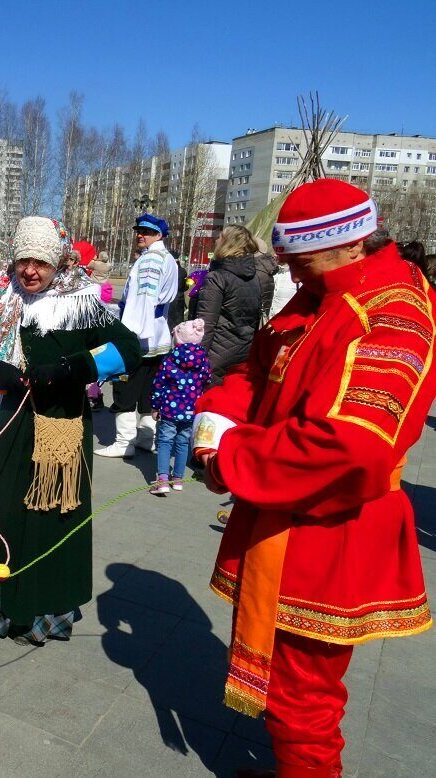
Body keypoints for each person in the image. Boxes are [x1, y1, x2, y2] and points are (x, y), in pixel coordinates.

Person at [193, 179, 436, 777]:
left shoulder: (394, 311)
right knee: (283, 684)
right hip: (288, 513)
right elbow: (261, 367)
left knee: (305, 699)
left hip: (333, 529)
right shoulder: (322, 293)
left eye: (299, 262)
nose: (291, 276)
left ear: (347, 245)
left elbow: (350, 448)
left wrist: (233, 461)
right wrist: (215, 417)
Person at [0, 216, 141, 643]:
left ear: (58, 262)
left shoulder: (81, 302)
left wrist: (72, 368)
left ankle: (32, 609)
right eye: (23, 260)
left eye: (41, 263)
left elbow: (129, 349)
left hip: (55, 429)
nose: (30, 271)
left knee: (44, 519)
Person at [95, 213, 178, 458]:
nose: (140, 235)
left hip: (141, 336)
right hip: (158, 336)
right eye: (139, 230)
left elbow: (142, 300)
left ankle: (125, 442)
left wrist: (128, 336)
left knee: (125, 387)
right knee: (148, 390)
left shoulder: (150, 260)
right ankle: (144, 438)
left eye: (147, 231)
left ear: (159, 234)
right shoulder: (167, 258)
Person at [196, 225, 272, 385]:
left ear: (228, 243)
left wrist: (195, 359)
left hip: (215, 355)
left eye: (221, 236)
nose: (216, 239)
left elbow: (205, 325)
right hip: (243, 353)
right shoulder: (254, 278)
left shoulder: (216, 278)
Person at [149, 318, 210, 495]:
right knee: (183, 442)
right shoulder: (203, 360)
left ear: (178, 339)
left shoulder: (170, 359)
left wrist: (155, 406)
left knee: (165, 442)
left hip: (170, 408)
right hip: (191, 409)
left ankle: (162, 479)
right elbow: (207, 379)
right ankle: (178, 478)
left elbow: (158, 384)